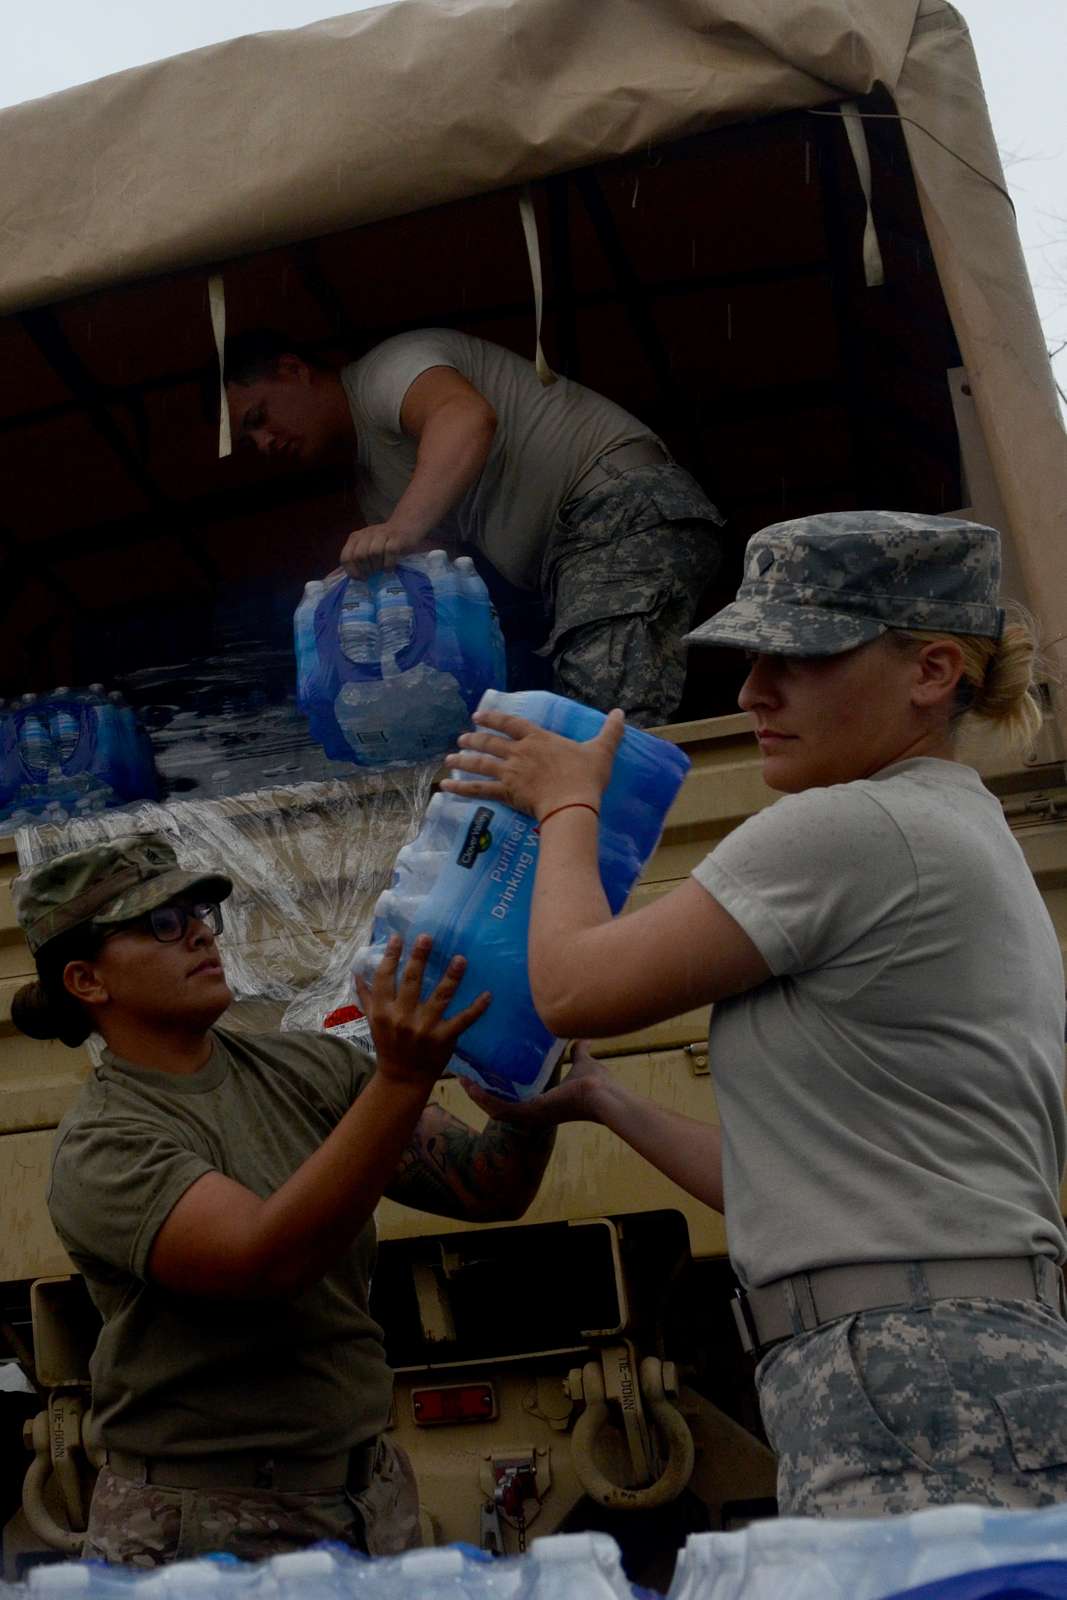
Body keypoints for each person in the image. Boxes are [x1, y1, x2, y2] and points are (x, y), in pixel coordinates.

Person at [441, 509, 1067, 1519]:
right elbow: (796, 1187)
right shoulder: (949, 822)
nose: (749, 693)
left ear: (932, 669)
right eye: (749, 658)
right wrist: (606, 1100)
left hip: (907, 1363)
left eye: (800, 658)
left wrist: (564, 803)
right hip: (935, 1348)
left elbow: (569, 987)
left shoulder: (851, 825)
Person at [10, 834, 556, 1565]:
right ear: (86, 981)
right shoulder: (105, 1145)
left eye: (197, 911)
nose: (200, 932)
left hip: (367, 1496)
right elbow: (263, 1261)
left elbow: (488, 1184)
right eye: (162, 924)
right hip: (206, 1531)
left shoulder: (308, 1067)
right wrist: (399, 1081)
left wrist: (540, 1071)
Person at [224, 327, 724, 726]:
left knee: (605, 726)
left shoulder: (387, 372)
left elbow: (464, 416)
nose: (265, 442)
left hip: (621, 510)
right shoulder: (375, 488)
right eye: (251, 442)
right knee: (580, 725)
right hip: (578, 554)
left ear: (293, 370)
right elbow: (431, 582)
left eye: (259, 417)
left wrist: (397, 530)